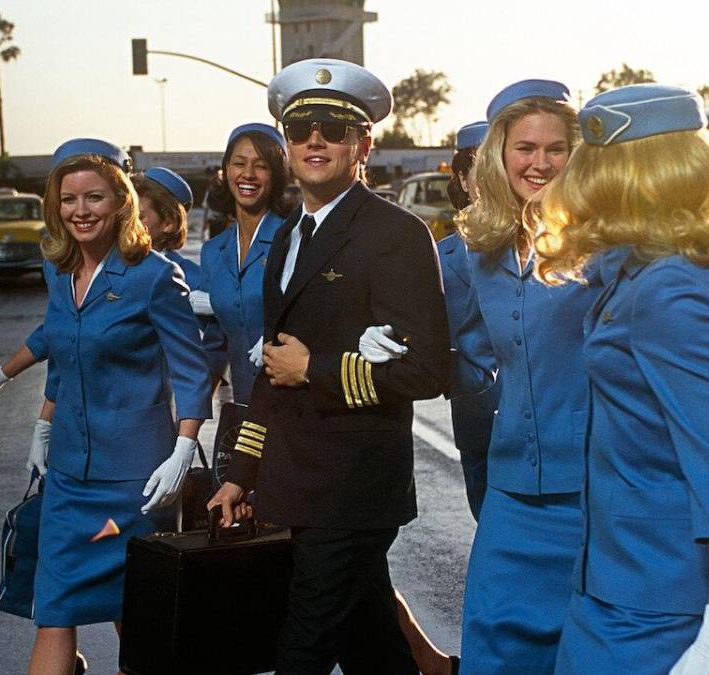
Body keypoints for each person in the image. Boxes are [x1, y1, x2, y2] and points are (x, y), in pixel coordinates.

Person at [208, 58, 451, 674]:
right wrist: (241, 473)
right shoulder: (288, 237)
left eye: (334, 130)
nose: (315, 141)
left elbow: (427, 371)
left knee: (301, 653)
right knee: (372, 647)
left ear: (363, 145)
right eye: (300, 130)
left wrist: (315, 369)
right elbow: (272, 370)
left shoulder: (397, 234)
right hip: (296, 484)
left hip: (354, 490)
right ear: (288, 145)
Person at [536, 83, 709, 675]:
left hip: (650, 608)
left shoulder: (667, 289)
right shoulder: (681, 269)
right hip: (625, 584)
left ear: (627, 176)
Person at [0, 138, 211, 675]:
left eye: (94, 197)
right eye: (69, 199)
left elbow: (193, 371)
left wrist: (183, 450)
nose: (80, 210)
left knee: (135, 614)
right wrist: (34, 418)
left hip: (137, 483)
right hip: (69, 479)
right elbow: (61, 348)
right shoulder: (58, 271)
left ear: (120, 202)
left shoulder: (153, 276)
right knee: (52, 610)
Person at [448, 80, 594, 674]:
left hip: (593, 492)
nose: (540, 163)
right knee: (491, 650)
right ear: (499, 155)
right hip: (509, 492)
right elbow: (458, 349)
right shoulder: (478, 250)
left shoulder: (606, 243)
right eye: (525, 148)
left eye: (556, 149)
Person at [190, 122, 290, 405]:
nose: (248, 174)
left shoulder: (292, 239)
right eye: (239, 163)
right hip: (245, 406)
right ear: (226, 170)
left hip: (294, 408)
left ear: (276, 175)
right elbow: (215, 347)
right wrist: (190, 422)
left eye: (261, 166)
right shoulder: (213, 252)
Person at [435, 120, 495, 522]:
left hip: (549, 431)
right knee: (488, 529)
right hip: (477, 424)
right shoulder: (438, 257)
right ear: (461, 178)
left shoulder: (551, 247)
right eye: (479, 170)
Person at [131, 166, 201, 285]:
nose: (127, 222)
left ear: (168, 224)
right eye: (125, 214)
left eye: (139, 217)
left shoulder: (193, 281)